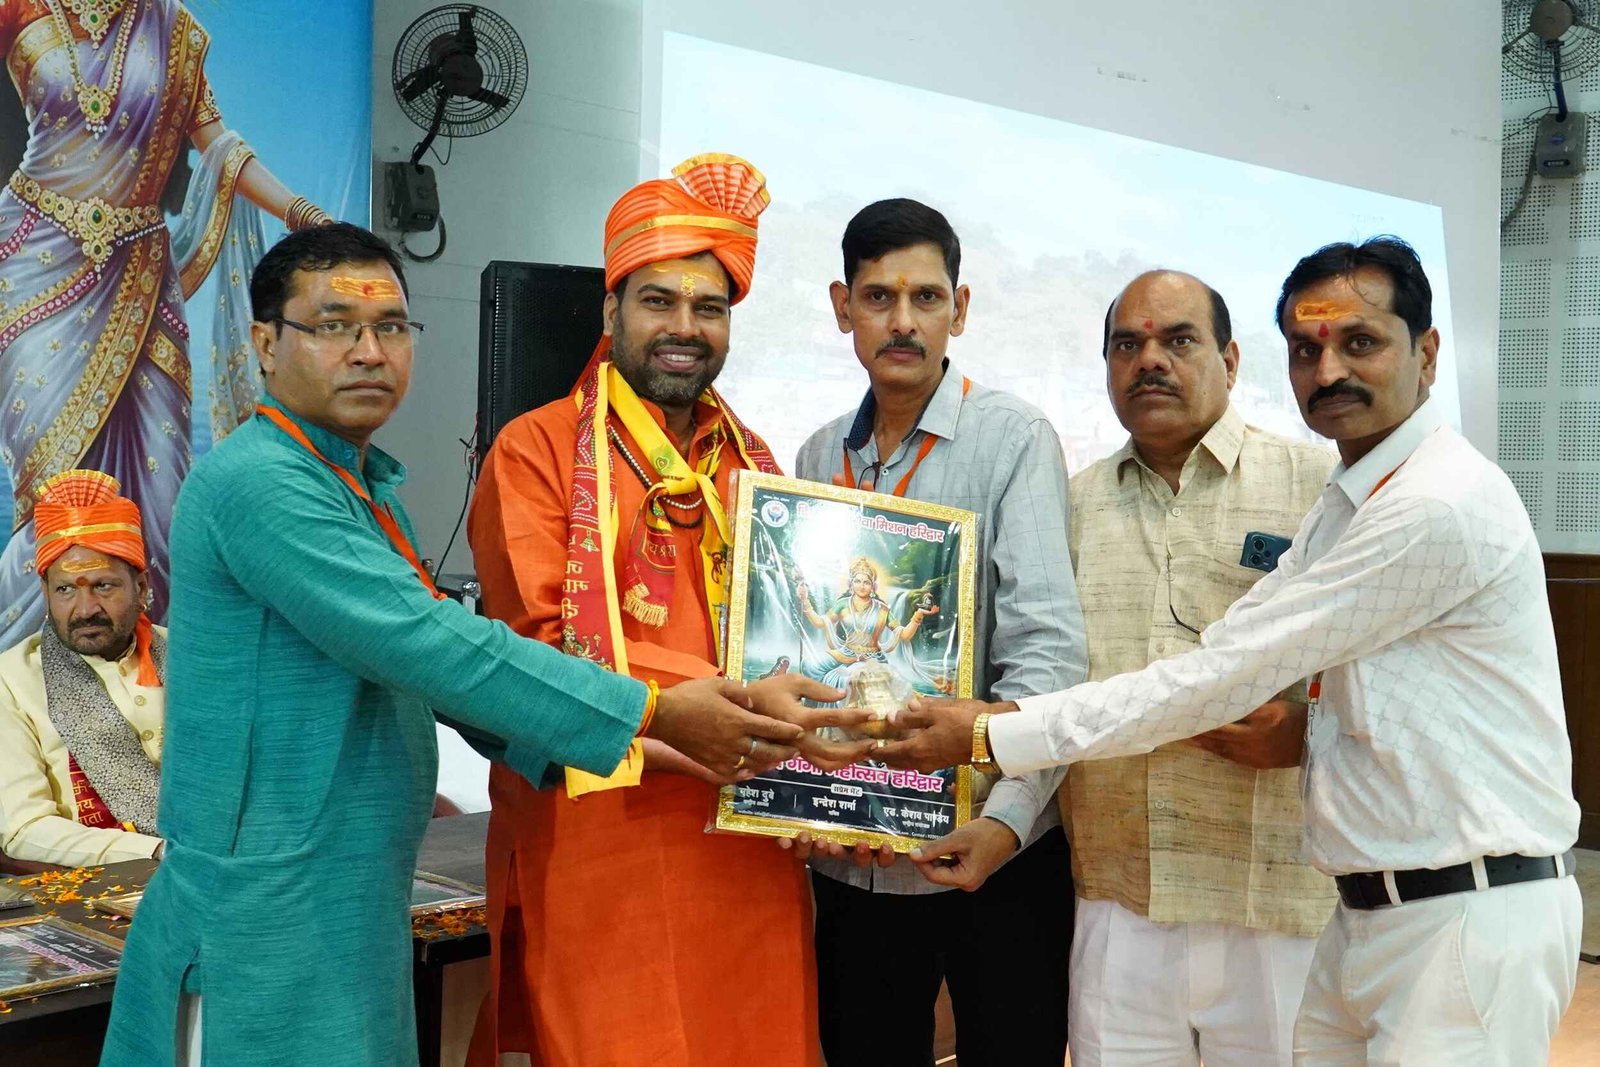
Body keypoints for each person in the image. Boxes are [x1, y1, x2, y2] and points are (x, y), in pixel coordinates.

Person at [99, 222, 816, 1067]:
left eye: (391, 327)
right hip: (264, 915)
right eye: (333, 326)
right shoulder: (259, 482)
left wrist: (669, 749)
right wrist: (657, 710)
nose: (369, 351)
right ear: (264, 343)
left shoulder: (361, 486)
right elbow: (432, 645)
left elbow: (447, 686)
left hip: (354, 905)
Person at [882, 237, 1583, 1067]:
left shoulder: (1431, 503)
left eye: (1360, 342)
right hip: (1336, 912)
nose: (1328, 373)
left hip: (1442, 917)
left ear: (1426, 354)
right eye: (1308, 349)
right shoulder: (1345, 500)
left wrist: (988, 733)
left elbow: (1220, 674)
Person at [465, 153, 870, 1067]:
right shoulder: (534, 450)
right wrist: (740, 706)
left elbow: (800, 636)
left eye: (709, 307)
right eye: (658, 301)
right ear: (611, 311)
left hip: (745, 839)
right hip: (599, 831)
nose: (684, 327)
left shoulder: (754, 461)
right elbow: (537, 647)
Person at [915, 269, 1338, 1066]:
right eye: (1126, 345)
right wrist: (1005, 822)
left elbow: (1371, 670)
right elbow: (1047, 691)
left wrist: (1309, 731)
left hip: (1276, 909)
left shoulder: (1315, 490)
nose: (1150, 360)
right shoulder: (1067, 507)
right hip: (1117, 905)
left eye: (1179, 340)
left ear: (1231, 358)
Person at [791, 198, 1087, 1067]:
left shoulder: (1012, 439)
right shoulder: (815, 458)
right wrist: (799, 796)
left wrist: (1005, 824)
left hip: (991, 850)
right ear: (844, 307)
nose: (903, 321)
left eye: (927, 297)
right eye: (879, 298)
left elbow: (1049, 653)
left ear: (960, 309)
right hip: (854, 857)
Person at [0, 0, 335, 648]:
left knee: (162, 498)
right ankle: (22, 688)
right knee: (51, 492)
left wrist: (301, 213)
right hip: (35, 270)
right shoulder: (18, 8)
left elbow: (220, 148)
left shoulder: (172, 26)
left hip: (142, 281)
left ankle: (144, 698)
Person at [0, 469, 170, 868]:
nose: (85, 608)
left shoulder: (193, 658)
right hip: (87, 887)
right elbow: (24, 827)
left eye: (103, 586)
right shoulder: (12, 679)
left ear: (142, 588)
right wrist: (159, 853)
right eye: (65, 590)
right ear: (45, 594)